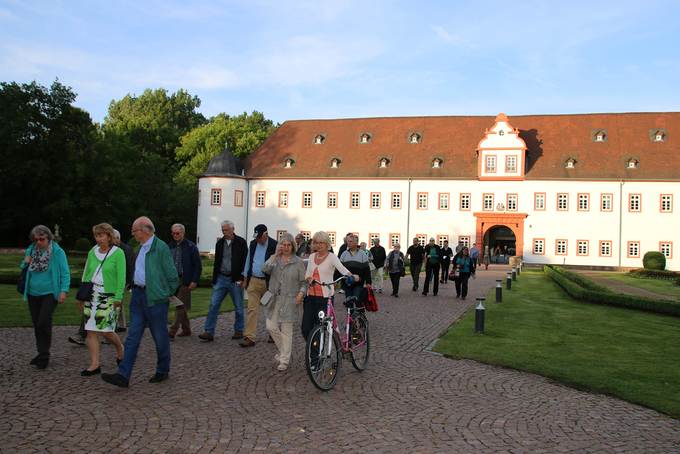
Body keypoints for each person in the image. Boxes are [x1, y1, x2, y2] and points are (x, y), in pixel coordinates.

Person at [101, 216, 178, 388]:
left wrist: (165, 293)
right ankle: (123, 375)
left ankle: (162, 370)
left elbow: (172, 276)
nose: (133, 234)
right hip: (137, 297)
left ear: (145, 230)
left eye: (134, 231)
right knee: (132, 337)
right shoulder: (140, 248)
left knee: (160, 337)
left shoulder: (161, 248)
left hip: (155, 300)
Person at [79, 223, 126, 376]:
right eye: (96, 236)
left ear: (109, 236)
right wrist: (81, 296)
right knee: (91, 330)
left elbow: (121, 277)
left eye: (101, 235)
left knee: (106, 331)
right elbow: (87, 273)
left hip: (109, 296)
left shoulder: (118, 253)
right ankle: (95, 364)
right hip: (91, 295)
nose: (98, 239)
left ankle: (120, 348)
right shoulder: (92, 252)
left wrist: (118, 297)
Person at [20, 225, 70, 369]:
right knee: (37, 324)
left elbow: (65, 273)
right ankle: (41, 353)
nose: (39, 242)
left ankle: (44, 355)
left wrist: (63, 291)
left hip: (50, 293)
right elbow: (23, 267)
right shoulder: (31, 249)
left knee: (43, 322)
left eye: (42, 239)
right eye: (36, 240)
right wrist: (25, 261)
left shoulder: (58, 252)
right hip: (32, 293)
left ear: (49, 238)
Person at [261, 233, 306, 371]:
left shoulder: (298, 262)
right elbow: (265, 269)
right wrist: (275, 255)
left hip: (290, 299)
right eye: (283, 244)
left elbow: (304, 282)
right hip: (274, 299)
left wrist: (301, 293)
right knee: (271, 326)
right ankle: (283, 352)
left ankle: (284, 360)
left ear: (293, 246)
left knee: (287, 330)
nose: (286, 247)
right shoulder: (274, 259)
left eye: (288, 245)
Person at [199, 220, 248, 342]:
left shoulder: (241, 242)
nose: (224, 232)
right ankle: (209, 331)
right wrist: (214, 279)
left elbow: (245, 261)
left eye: (226, 230)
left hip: (235, 279)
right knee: (213, 304)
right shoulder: (220, 243)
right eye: (223, 230)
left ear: (233, 229)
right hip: (221, 278)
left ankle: (239, 330)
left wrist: (242, 278)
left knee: (238, 306)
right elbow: (217, 262)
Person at [302, 231, 356, 340]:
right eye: (316, 243)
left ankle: (315, 354)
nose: (318, 245)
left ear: (327, 244)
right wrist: (309, 278)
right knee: (305, 328)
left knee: (319, 326)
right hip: (310, 296)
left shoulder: (332, 257)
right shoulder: (312, 256)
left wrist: (353, 276)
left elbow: (342, 269)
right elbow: (307, 274)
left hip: (325, 297)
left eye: (321, 243)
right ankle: (312, 347)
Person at [241, 224, 277, 348]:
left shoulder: (274, 245)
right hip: (254, 281)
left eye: (259, 237)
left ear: (265, 235)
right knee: (252, 309)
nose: (257, 240)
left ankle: (273, 334)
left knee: (270, 309)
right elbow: (248, 260)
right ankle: (249, 337)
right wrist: (245, 278)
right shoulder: (253, 244)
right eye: (256, 237)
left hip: (268, 283)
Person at [167, 223, 202, 339]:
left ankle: (172, 331)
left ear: (183, 233)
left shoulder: (191, 246)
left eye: (177, 233)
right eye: (173, 233)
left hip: (185, 280)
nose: (175, 235)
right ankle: (186, 329)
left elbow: (198, 265)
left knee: (179, 304)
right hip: (172, 280)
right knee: (181, 305)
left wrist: (194, 280)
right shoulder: (169, 246)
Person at [113, 228, 133, 333]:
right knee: (119, 302)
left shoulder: (125, 249)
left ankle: (115, 324)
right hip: (118, 280)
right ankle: (122, 324)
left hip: (122, 280)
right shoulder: (120, 248)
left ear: (117, 238)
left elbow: (130, 266)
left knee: (117, 302)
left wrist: (129, 282)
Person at [339, 235, 372, 300]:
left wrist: (368, 282)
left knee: (356, 299)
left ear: (356, 243)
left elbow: (366, 269)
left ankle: (358, 309)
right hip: (347, 282)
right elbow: (339, 268)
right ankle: (350, 309)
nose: (348, 243)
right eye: (348, 241)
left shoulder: (362, 254)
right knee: (348, 301)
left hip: (358, 282)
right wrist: (335, 280)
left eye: (351, 241)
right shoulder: (344, 254)